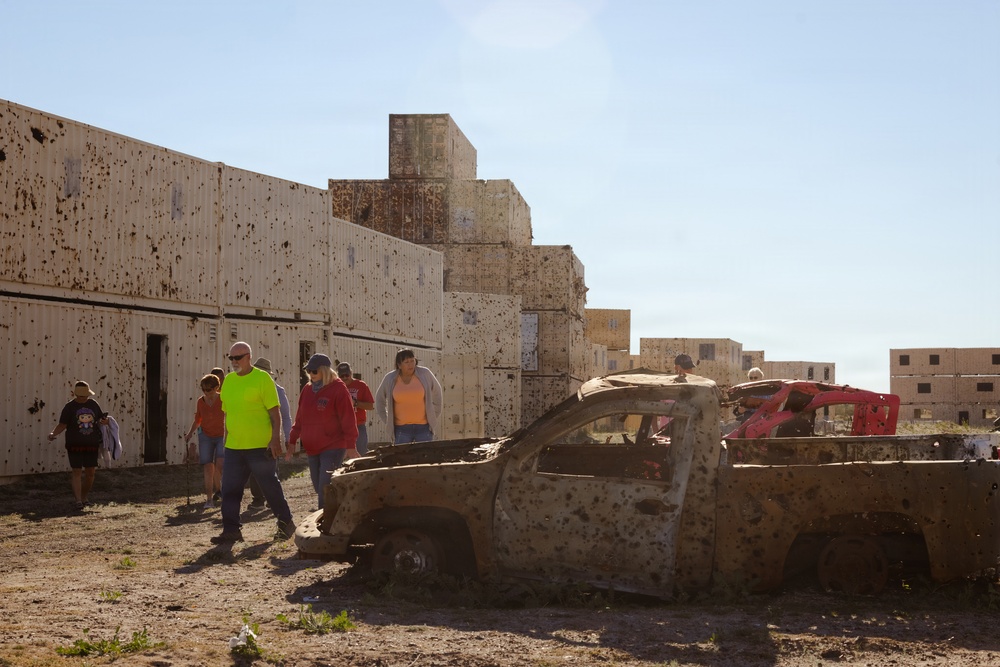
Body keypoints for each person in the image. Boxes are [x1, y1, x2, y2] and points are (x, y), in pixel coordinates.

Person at [212, 342, 295, 544]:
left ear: (248, 357)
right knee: (230, 489)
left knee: (270, 487)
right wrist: (225, 442)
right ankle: (231, 530)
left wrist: (275, 439)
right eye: (230, 358)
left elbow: (276, 414)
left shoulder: (262, 379)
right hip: (234, 447)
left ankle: (286, 523)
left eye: (237, 358)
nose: (233, 362)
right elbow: (227, 415)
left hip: (259, 447)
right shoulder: (229, 381)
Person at [288, 354, 359, 509]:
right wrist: (292, 440)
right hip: (312, 448)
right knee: (318, 486)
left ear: (324, 370)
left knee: (324, 486)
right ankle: (336, 510)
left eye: (314, 371)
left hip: (333, 445)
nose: (311, 375)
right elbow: (300, 417)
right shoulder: (307, 390)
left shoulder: (338, 389)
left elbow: (348, 418)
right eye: (309, 371)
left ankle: (325, 524)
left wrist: (351, 445)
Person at [48, 381, 109, 510]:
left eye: (85, 395)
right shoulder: (69, 407)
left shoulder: (94, 404)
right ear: (75, 394)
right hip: (74, 444)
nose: (84, 398)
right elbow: (62, 425)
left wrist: (106, 421)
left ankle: (84, 497)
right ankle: (78, 501)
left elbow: (100, 420)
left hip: (91, 444)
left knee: (90, 473)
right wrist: (53, 433)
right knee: (76, 471)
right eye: (81, 396)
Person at [247, 357, 292, 509]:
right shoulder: (250, 388)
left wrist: (287, 437)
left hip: (272, 436)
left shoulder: (278, 391)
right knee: (254, 468)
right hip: (254, 435)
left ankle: (274, 500)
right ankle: (258, 499)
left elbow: (285, 416)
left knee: (271, 469)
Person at [374, 348, 443, 444]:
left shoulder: (425, 374)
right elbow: (379, 400)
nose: (411, 364)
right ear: (399, 365)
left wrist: (433, 416)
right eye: (406, 362)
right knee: (402, 458)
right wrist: (388, 420)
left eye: (412, 361)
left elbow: (437, 393)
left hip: (424, 428)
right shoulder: (390, 378)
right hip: (401, 430)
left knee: (425, 457)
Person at [183, 374, 225, 509]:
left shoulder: (224, 399)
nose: (207, 393)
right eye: (204, 390)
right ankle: (209, 499)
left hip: (221, 436)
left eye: (210, 389)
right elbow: (198, 420)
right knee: (208, 467)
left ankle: (220, 490)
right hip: (206, 435)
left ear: (217, 388)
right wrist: (190, 434)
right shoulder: (201, 401)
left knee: (220, 465)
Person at [338, 362, 375, 455]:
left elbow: (370, 406)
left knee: (361, 453)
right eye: (342, 376)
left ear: (351, 373)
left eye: (347, 374)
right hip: (340, 427)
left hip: (358, 425)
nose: (345, 377)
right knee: (339, 455)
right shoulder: (336, 387)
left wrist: (356, 403)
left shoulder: (361, 385)